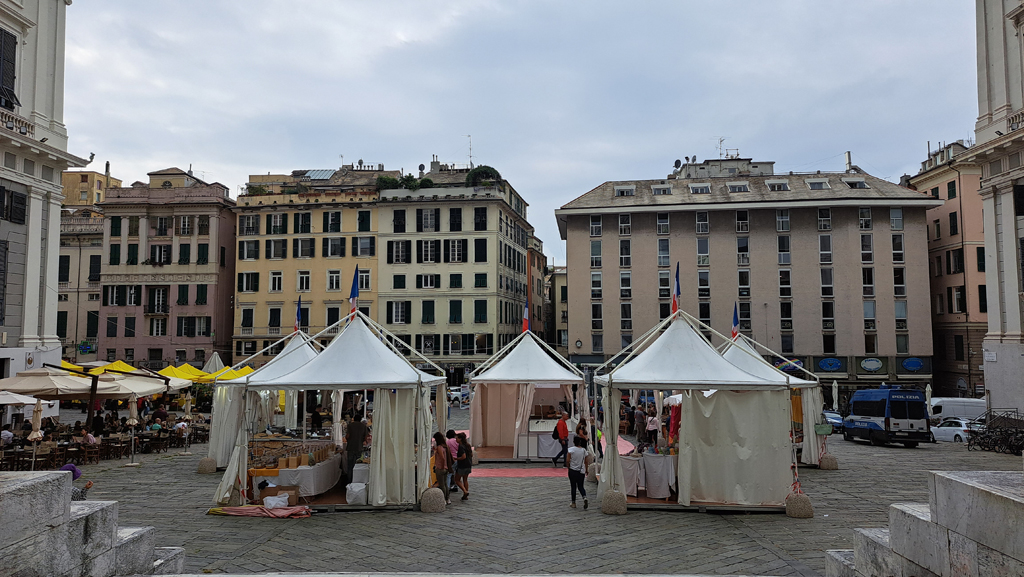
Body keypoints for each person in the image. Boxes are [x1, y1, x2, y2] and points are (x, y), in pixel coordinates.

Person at [344, 416, 368, 485]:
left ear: (354, 419)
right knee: (358, 465)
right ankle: (357, 481)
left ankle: (349, 481)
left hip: (350, 447)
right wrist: (363, 440)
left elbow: (347, 436)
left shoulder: (350, 425)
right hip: (359, 447)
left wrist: (348, 439)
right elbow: (366, 437)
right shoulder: (363, 426)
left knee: (350, 465)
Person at [567, 436, 588, 509]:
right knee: (581, 486)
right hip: (581, 471)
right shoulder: (584, 450)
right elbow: (586, 461)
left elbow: (568, 460)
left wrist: (568, 467)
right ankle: (584, 497)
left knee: (573, 486)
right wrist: (586, 470)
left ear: (573, 442)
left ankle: (573, 503)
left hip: (573, 470)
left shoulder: (571, 450)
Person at [432, 432, 453, 505]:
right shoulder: (445, 446)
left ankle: (444, 499)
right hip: (446, 468)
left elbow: (442, 458)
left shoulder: (439, 447)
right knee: (445, 484)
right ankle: (447, 498)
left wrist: (442, 466)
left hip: (440, 468)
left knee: (442, 485)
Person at [453, 432, 472, 501]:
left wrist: (456, 459)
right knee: (465, 480)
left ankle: (465, 491)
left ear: (460, 439)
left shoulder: (461, 446)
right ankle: (465, 495)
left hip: (462, 465)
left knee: (457, 479)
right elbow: (471, 454)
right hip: (468, 464)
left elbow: (463, 456)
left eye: (457, 438)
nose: (456, 439)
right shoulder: (467, 445)